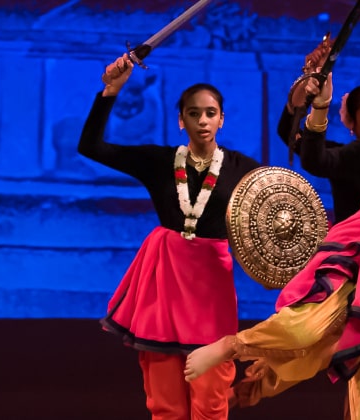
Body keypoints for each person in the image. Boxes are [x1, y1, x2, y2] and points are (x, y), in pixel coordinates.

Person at [184, 66, 360, 420]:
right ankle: (234, 348)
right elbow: (316, 158)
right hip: (357, 269)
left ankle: (259, 380)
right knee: (306, 332)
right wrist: (318, 106)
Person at [78, 53, 261, 419]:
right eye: (194, 113)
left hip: (211, 289)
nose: (203, 120)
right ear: (181, 121)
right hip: (164, 284)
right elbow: (91, 147)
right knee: (166, 404)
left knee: (211, 400)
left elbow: (276, 213)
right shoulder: (160, 161)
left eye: (210, 112)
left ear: (222, 119)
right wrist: (111, 90)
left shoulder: (245, 169)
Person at [277, 40, 360, 225]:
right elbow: (288, 132)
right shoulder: (342, 158)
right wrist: (310, 79)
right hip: (350, 250)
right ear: (351, 121)